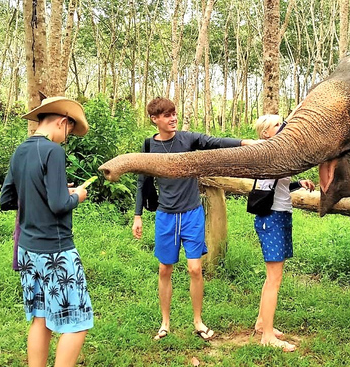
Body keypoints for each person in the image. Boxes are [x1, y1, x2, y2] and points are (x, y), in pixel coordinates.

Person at [133, 97, 260, 341]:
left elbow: (215, 142)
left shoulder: (188, 139)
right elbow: (142, 182)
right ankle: (165, 323)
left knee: (195, 268)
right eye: (167, 115)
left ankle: (198, 322)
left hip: (192, 213)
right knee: (164, 269)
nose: (173, 118)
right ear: (154, 119)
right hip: (165, 215)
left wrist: (246, 142)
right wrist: (137, 215)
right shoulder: (150, 146)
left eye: (174, 113)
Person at [0, 96, 92, 367]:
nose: (67, 137)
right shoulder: (53, 151)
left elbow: (7, 199)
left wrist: (51, 192)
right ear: (63, 122)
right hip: (56, 251)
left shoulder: (20, 151)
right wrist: (77, 196)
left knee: (41, 317)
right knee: (77, 322)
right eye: (69, 132)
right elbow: (58, 204)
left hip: (28, 250)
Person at [251, 114, 315, 353]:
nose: (282, 127)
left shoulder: (278, 153)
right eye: (277, 125)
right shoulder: (269, 153)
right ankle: (267, 336)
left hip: (281, 215)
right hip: (272, 219)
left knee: (273, 277)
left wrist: (299, 184)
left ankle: (261, 323)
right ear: (266, 133)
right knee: (274, 279)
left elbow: (275, 185)